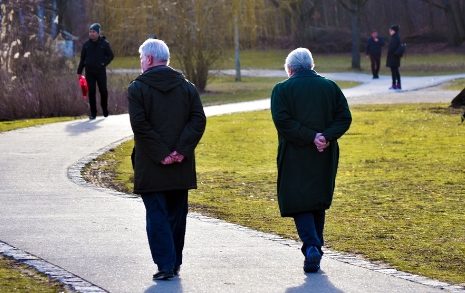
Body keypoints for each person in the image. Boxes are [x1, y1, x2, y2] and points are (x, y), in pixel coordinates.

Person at [127, 39, 206, 280]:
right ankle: (174, 263)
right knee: (176, 215)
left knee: (157, 215)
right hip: (180, 166)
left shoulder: (137, 88)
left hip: (151, 165)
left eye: (142, 58)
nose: (141, 63)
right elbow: (198, 120)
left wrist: (162, 154)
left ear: (149, 59)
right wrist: (180, 151)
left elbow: (140, 125)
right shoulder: (187, 87)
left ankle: (165, 264)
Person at [270, 48, 352, 273]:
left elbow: (282, 121)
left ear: (290, 69)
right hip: (324, 152)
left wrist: (310, 136)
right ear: (311, 65)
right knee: (317, 198)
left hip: (295, 153)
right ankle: (314, 248)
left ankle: (312, 246)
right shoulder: (330, 87)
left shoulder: (282, 89)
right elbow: (344, 117)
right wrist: (325, 136)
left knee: (299, 200)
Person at [77, 23, 114, 119]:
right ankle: (93, 113)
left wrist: (103, 64)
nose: (92, 34)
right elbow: (82, 59)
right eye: (90, 32)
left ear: (98, 33)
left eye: (94, 32)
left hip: (101, 72)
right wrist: (79, 72)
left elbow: (110, 55)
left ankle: (105, 109)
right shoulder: (86, 45)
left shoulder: (104, 44)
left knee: (103, 91)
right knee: (91, 92)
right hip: (89, 72)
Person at [386, 24, 403, 90]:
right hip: (395, 56)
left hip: (393, 57)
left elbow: (392, 47)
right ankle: (398, 84)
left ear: (394, 31)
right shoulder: (396, 37)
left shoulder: (395, 38)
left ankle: (394, 84)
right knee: (396, 71)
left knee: (394, 71)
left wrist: (389, 51)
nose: (390, 31)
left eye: (391, 30)